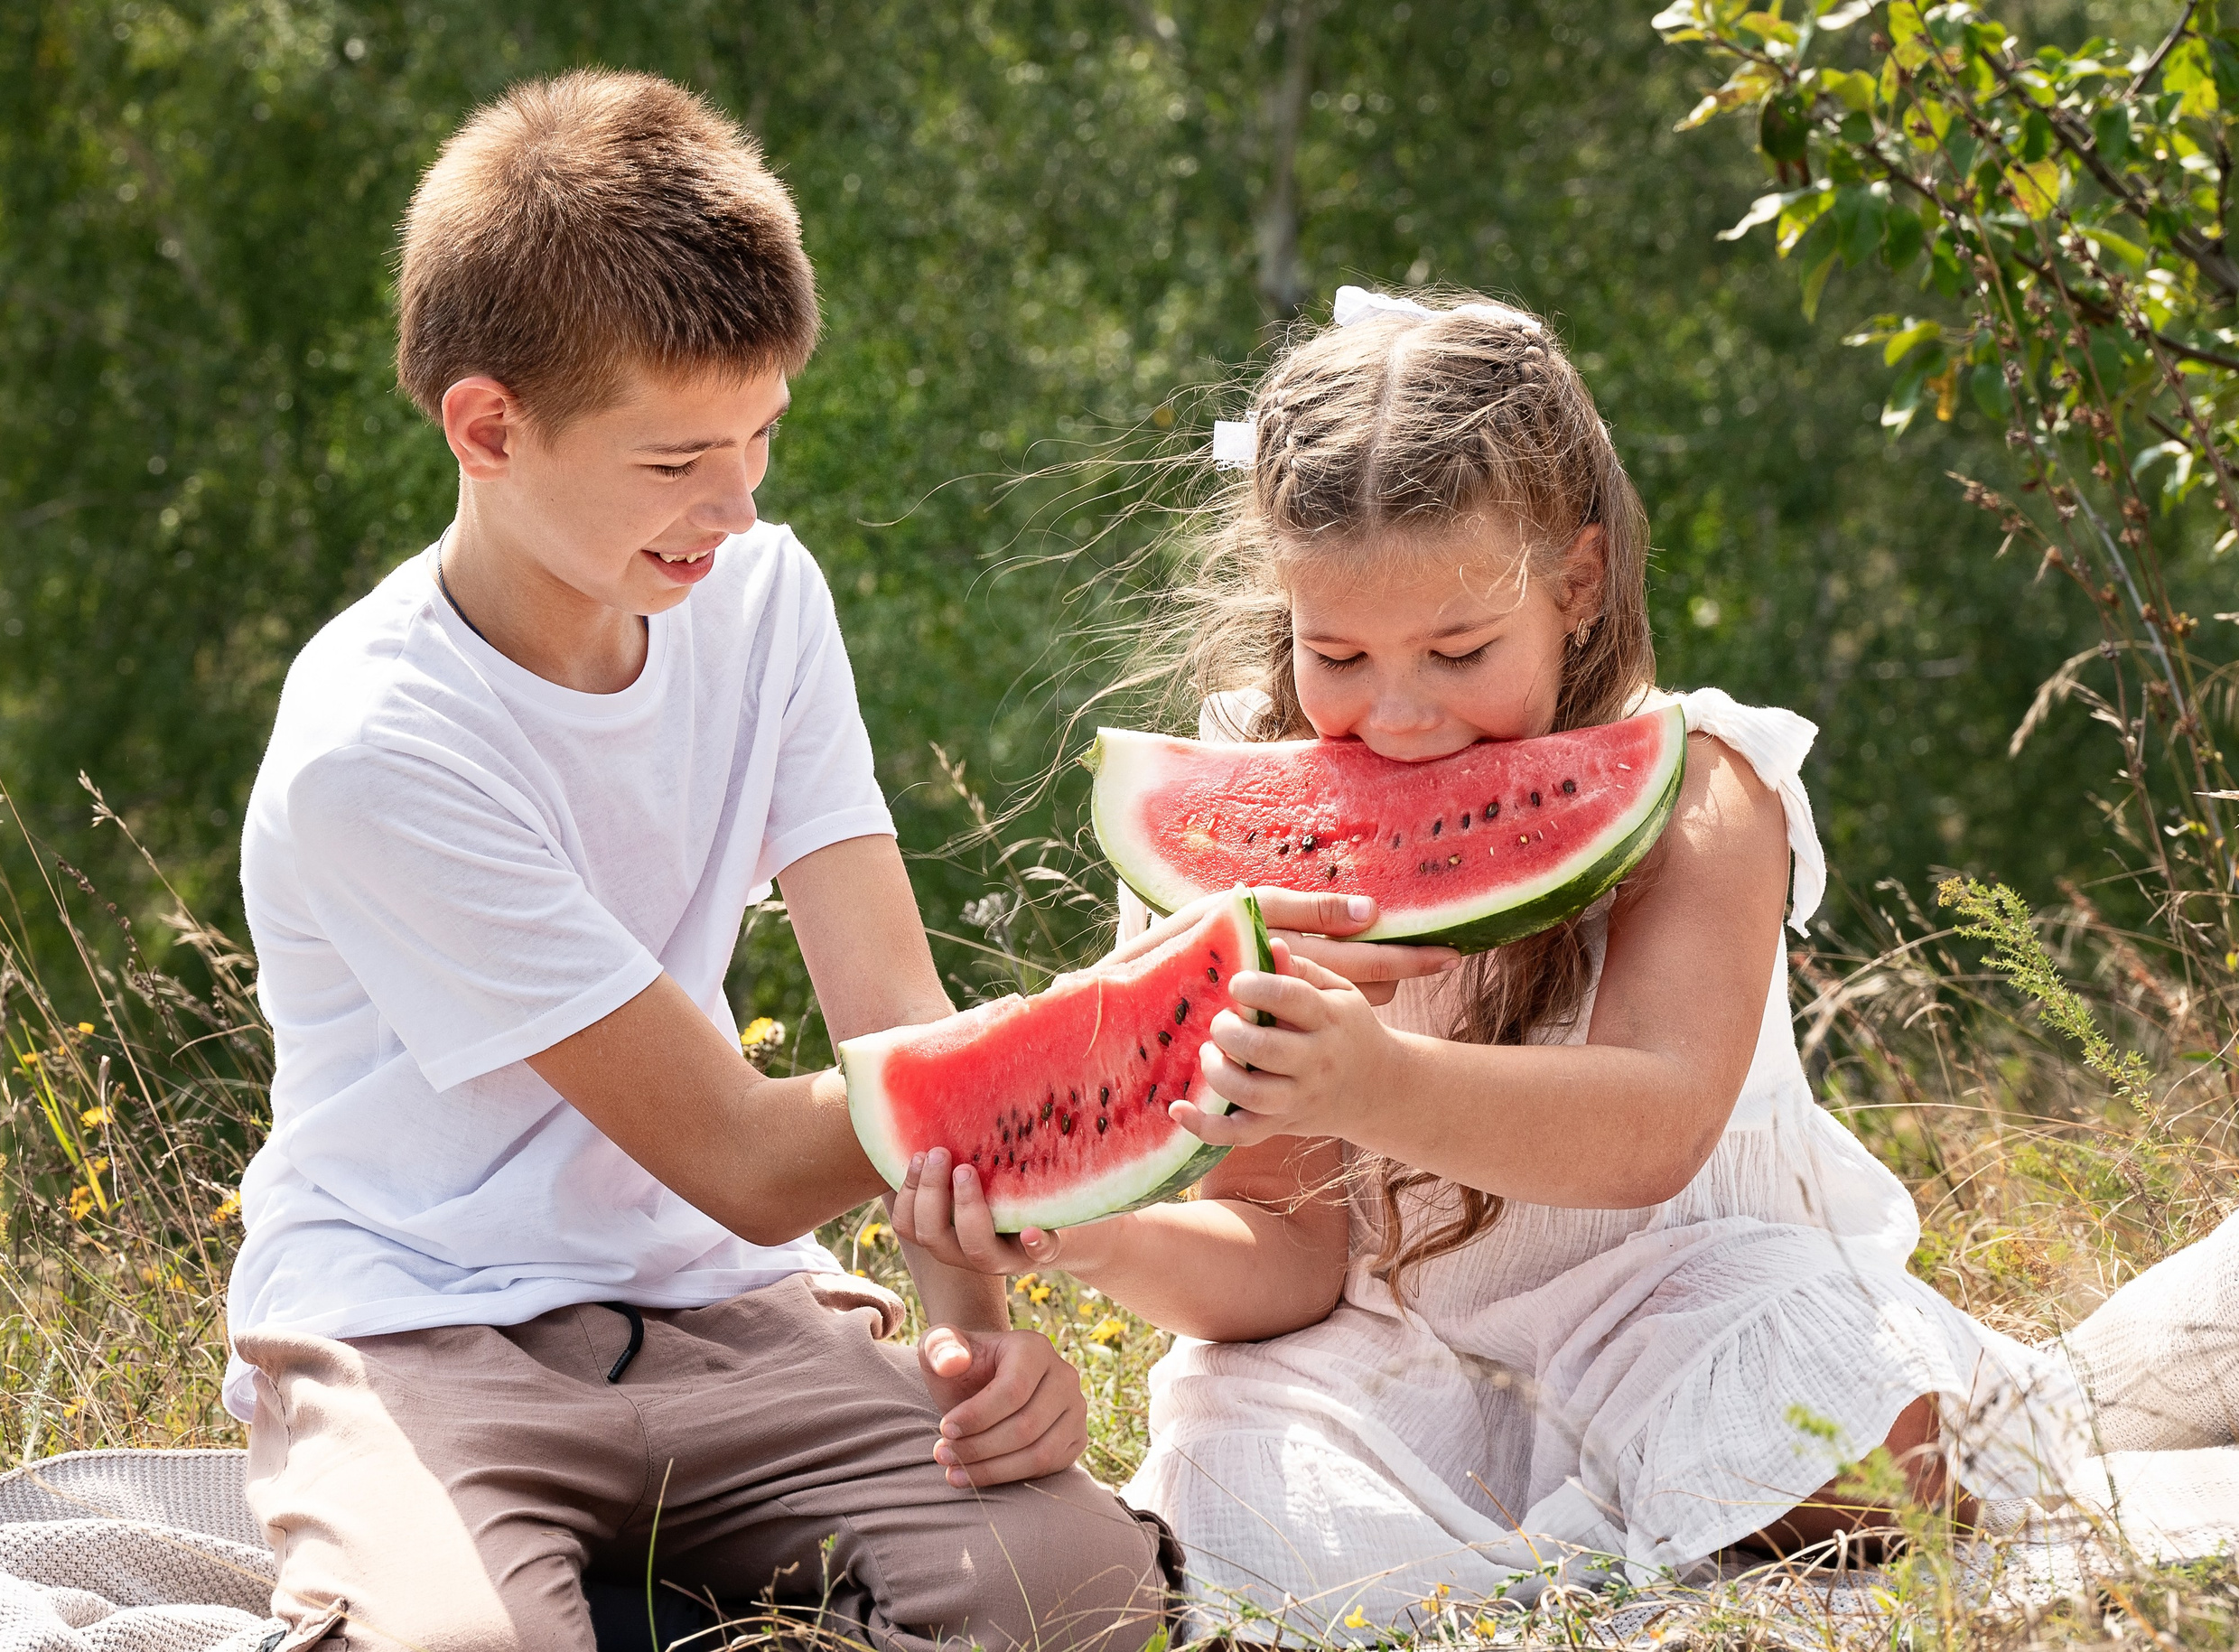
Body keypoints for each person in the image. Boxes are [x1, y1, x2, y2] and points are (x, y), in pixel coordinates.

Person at [891, 285, 2230, 1638]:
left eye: (1460, 650)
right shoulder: (1248, 790)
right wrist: (1106, 1232)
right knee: (1235, 1513)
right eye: (1336, 653)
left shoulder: (1707, 786)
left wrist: (1370, 1077)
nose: (1398, 717)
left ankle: (2073, 1398)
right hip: (1375, 1360)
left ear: (1576, 581)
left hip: (1683, 1300)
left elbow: (1650, 1124)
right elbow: (1286, 1258)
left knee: (1855, 1450)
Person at [224, 70, 1199, 1652]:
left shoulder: (761, 595)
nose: (737, 506)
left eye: (762, 436)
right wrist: (1083, 1046)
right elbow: (745, 1149)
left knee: (1081, 1585)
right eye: (676, 460)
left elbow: (891, 1011)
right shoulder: (378, 744)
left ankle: (640, 1600)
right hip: (418, 1328)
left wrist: (972, 1333)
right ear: (488, 427)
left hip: (726, 1312)